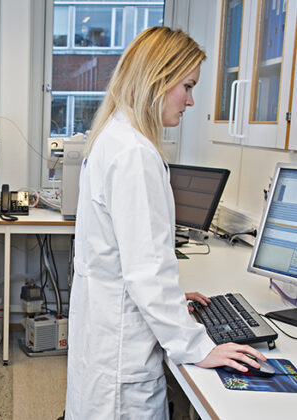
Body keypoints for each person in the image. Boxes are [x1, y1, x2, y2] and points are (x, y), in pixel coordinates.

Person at [64, 26, 266, 419]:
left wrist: (174, 299)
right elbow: (146, 272)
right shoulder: (135, 154)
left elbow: (132, 263)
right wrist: (200, 347)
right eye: (187, 86)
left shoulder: (113, 137)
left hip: (106, 336)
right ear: (156, 79)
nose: (191, 101)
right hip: (121, 355)